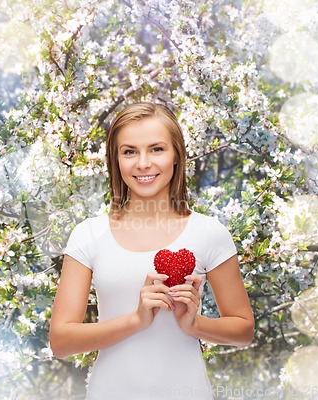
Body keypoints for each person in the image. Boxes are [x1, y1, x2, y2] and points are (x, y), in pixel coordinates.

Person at [49, 102, 254, 400]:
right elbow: (61, 341)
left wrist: (194, 323)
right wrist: (136, 319)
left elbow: (243, 330)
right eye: (129, 151)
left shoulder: (210, 233)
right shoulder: (89, 234)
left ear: (176, 156)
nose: (143, 163)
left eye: (156, 149)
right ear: (116, 160)